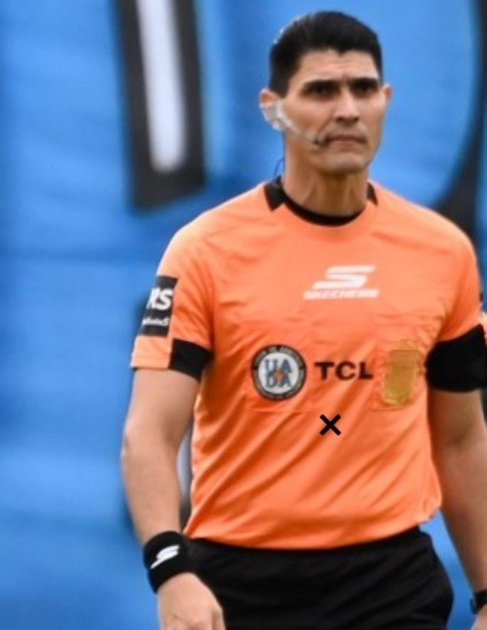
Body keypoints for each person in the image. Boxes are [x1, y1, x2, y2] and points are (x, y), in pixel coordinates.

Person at [121, 11, 487, 630]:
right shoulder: (206, 251)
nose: (346, 110)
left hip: (390, 586)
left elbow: (460, 438)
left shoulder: (442, 253)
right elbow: (149, 437)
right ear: (274, 108)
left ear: (386, 100)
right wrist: (172, 572)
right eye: (321, 90)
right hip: (242, 584)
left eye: (363, 89)